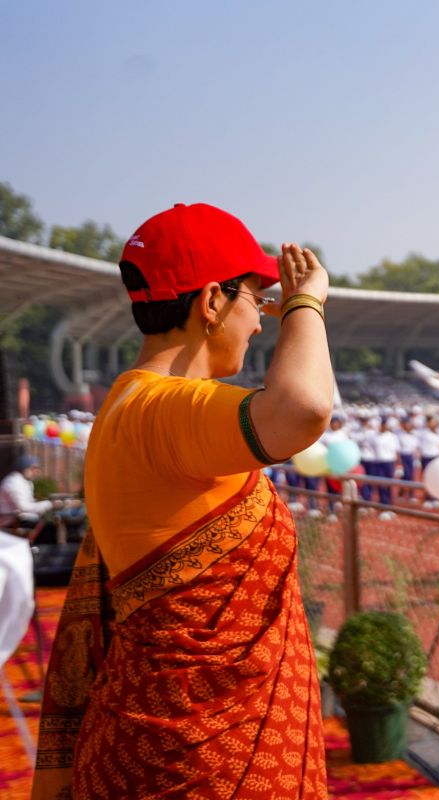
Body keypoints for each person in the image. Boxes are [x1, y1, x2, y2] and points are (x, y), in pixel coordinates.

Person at [33, 203, 332, 798]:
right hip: (200, 761)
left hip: (170, 744)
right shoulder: (159, 409)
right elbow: (303, 409)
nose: (258, 323)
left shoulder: (129, 405)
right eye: (256, 300)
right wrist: (307, 304)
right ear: (211, 303)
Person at [0, 454, 55, 534]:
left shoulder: (25, 481)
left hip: (22, 520)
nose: (36, 471)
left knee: (53, 525)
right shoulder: (13, 482)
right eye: (33, 468)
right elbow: (24, 507)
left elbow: (29, 505)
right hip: (13, 523)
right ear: (24, 469)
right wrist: (50, 504)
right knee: (52, 530)